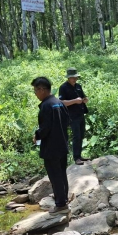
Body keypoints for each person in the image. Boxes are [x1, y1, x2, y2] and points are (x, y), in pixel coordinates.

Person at [31, 77, 71, 214]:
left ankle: (60, 205)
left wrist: (37, 135)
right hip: (62, 144)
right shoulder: (59, 103)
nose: (35, 94)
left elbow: (45, 127)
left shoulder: (46, 105)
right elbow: (67, 121)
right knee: (61, 173)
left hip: (51, 147)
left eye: (35, 90)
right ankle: (64, 198)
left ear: (42, 89)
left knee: (55, 175)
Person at [58, 67, 89, 165]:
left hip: (80, 114)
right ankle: (76, 158)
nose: (75, 79)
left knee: (81, 135)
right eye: (72, 77)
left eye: (76, 77)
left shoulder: (78, 86)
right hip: (71, 116)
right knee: (76, 136)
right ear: (68, 77)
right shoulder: (63, 87)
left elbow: (83, 97)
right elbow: (61, 102)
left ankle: (79, 155)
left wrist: (85, 100)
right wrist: (75, 101)